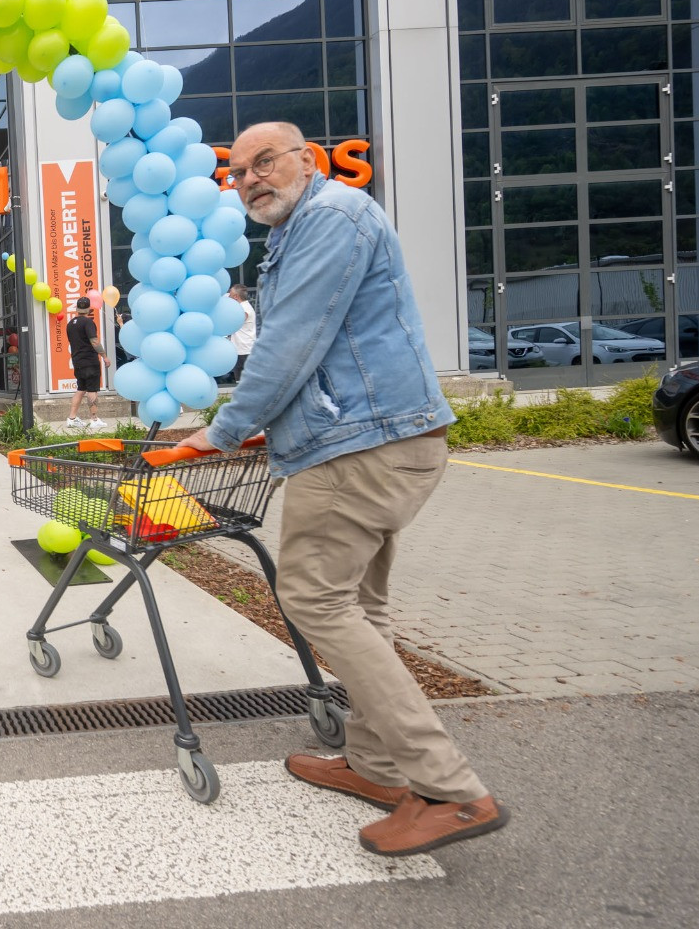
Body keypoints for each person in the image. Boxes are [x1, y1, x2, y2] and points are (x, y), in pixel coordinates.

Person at [176, 121, 505, 858]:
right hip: (375, 440)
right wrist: (268, 426)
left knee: (315, 599)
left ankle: (449, 789)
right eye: (239, 172)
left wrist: (223, 431)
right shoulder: (306, 228)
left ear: (309, 159)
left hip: (358, 450)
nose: (252, 178)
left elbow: (291, 342)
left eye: (265, 161)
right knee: (362, 605)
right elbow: (322, 348)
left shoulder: (332, 217)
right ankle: (379, 766)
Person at [64, 298, 108, 430]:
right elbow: (94, 341)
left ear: (77, 309)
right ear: (89, 309)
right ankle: (94, 419)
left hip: (77, 361)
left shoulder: (70, 324)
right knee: (92, 390)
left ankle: (72, 418)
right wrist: (104, 356)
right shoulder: (88, 322)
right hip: (89, 360)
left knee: (81, 389)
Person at [228, 283, 257, 384]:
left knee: (245, 382)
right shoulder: (241, 307)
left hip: (245, 350)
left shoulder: (244, 309)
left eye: (230, 294)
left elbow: (232, 324)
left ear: (236, 297)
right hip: (241, 350)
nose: (228, 296)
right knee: (241, 381)